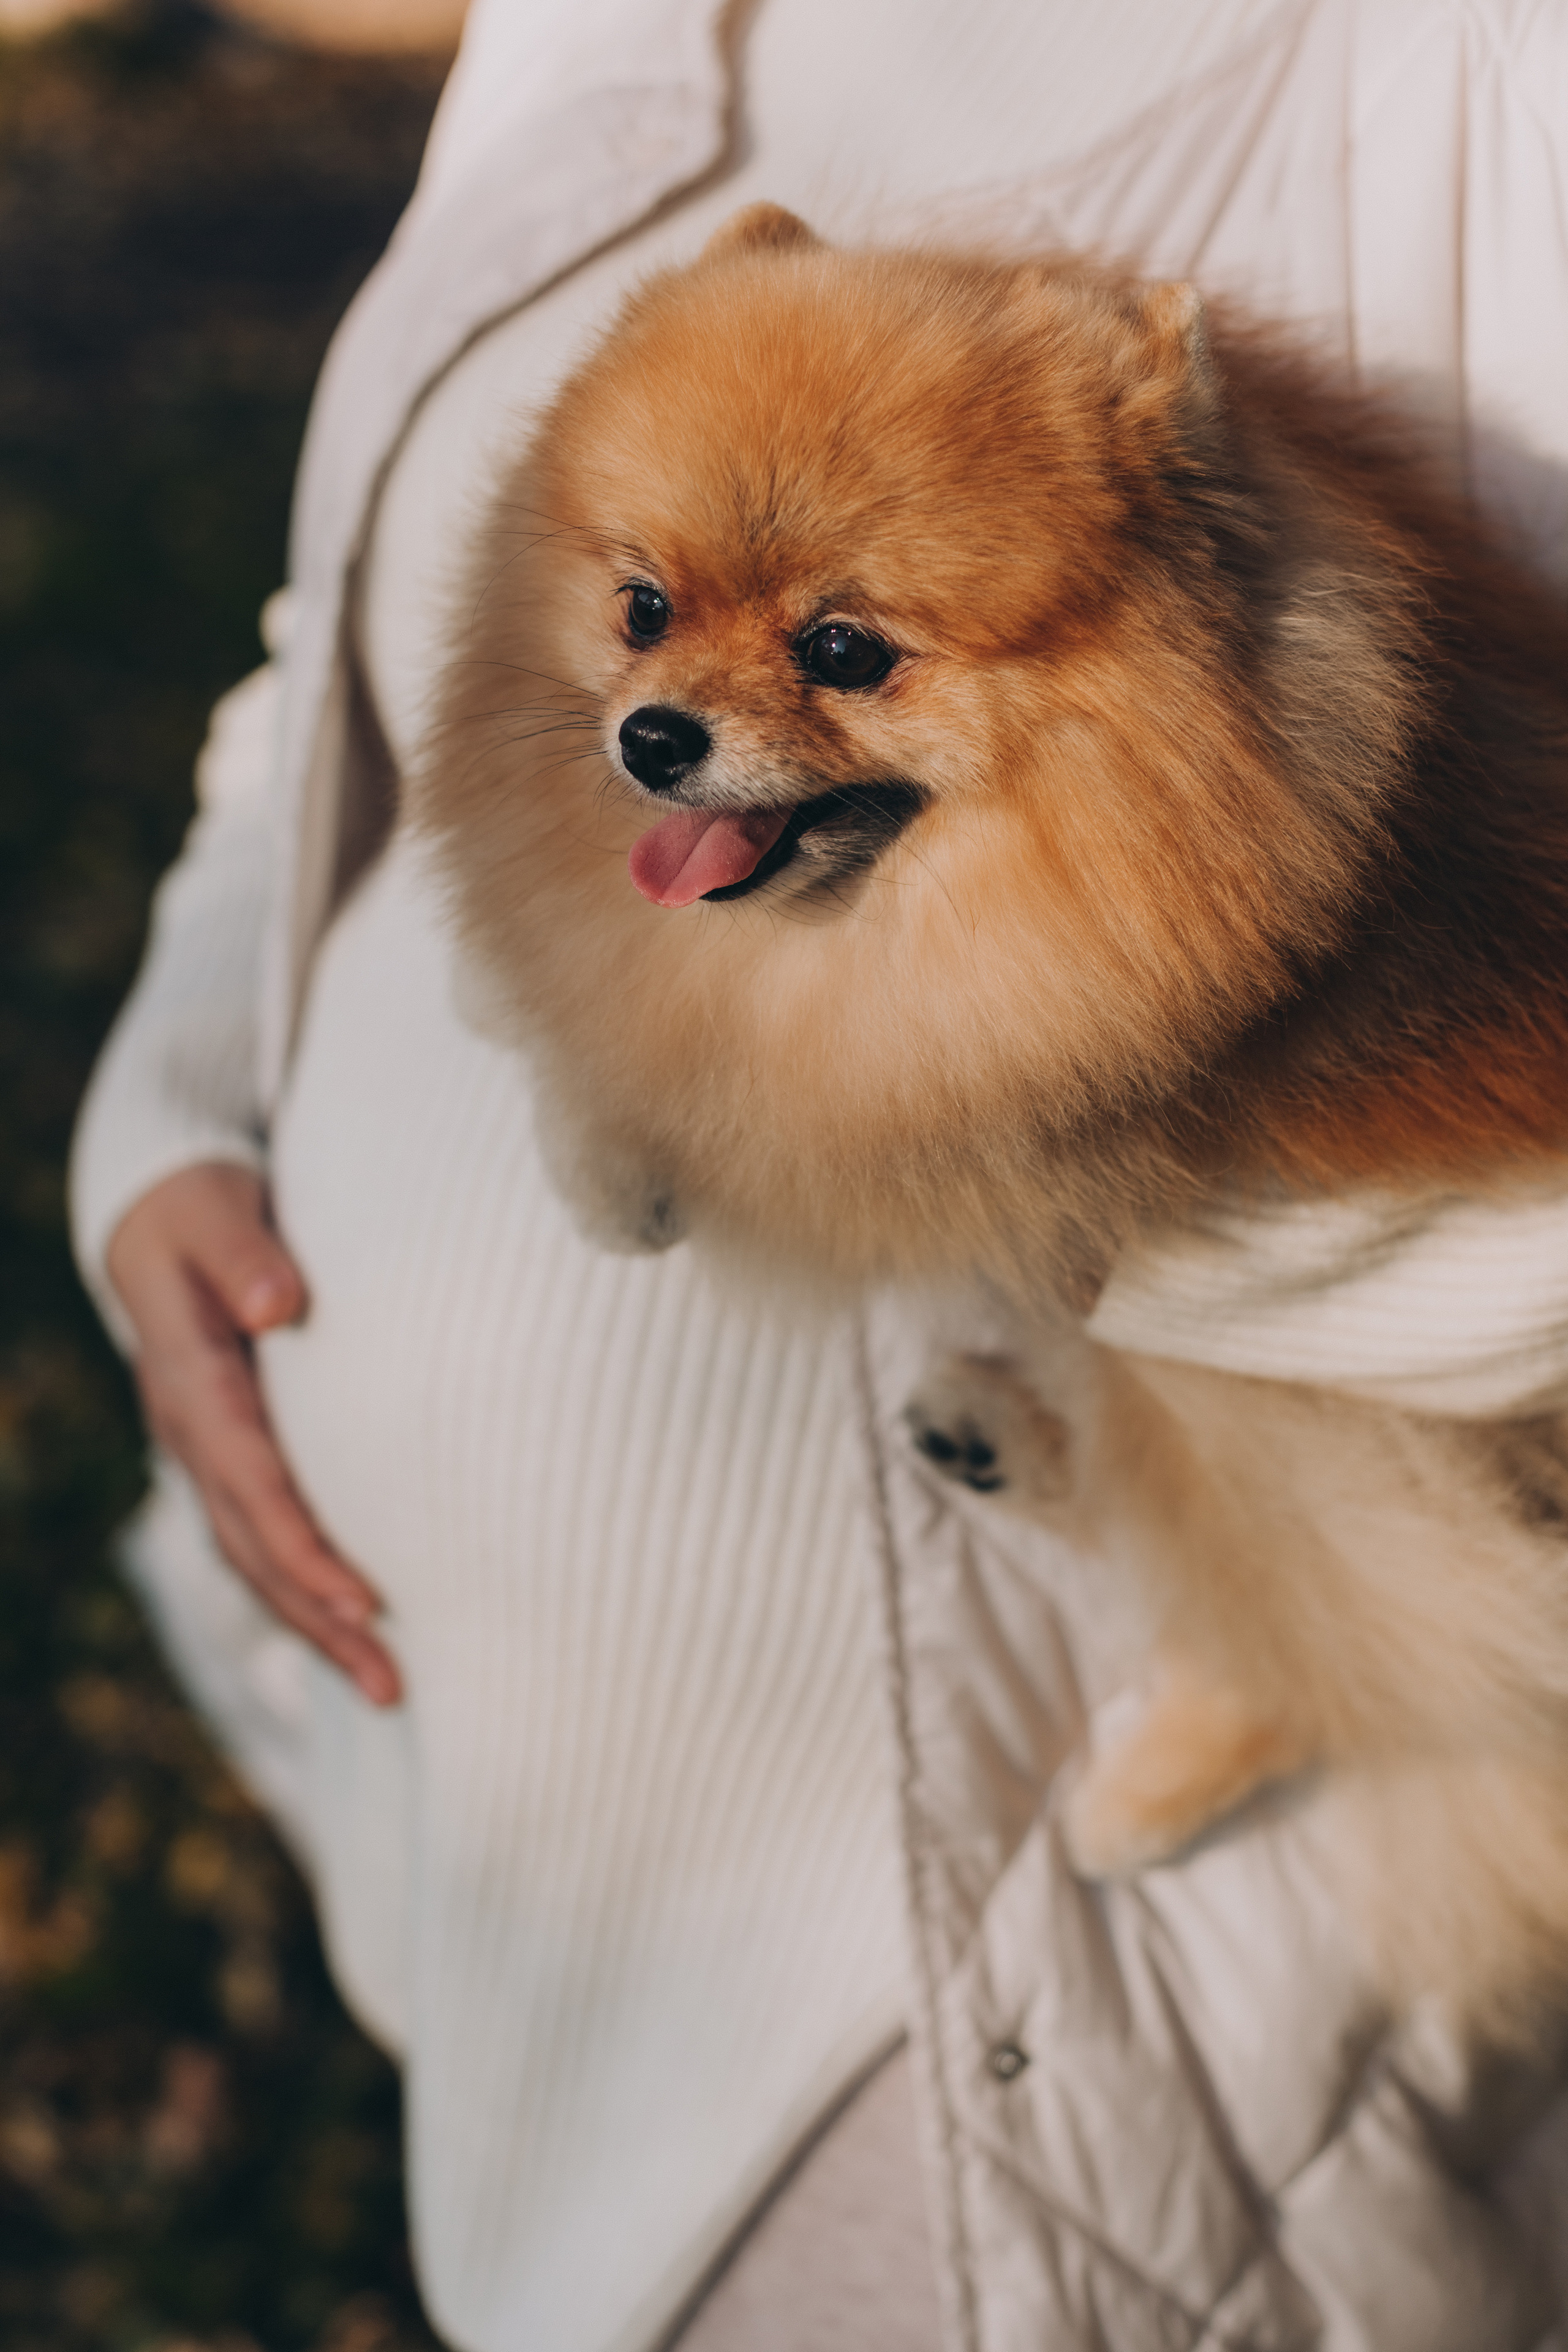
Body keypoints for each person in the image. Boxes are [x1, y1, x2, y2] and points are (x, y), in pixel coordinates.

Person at [71, 1, 1568, 2345]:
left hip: (980, 1970)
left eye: (847, 656)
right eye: (655, 622)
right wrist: (177, 1100)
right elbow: (337, 635)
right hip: (507, 1855)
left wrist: (1002, 1177)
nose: (672, 709)